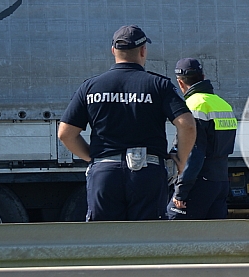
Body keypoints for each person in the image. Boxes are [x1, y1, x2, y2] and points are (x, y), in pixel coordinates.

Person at [58, 25, 196, 221]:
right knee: (148, 235)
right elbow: (187, 125)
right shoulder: (159, 85)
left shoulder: (91, 87)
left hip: (104, 174)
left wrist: (94, 158)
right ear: (143, 51)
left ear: (113, 51)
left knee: (105, 236)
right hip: (147, 174)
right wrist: (181, 160)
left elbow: (65, 133)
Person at [167, 58, 238, 220]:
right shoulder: (223, 104)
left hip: (199, 183)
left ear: (180, 82)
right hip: (220, 182)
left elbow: (194, 153)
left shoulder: (193, 105)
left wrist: (181, 192)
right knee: (213, 233)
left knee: (171, 227)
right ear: (203, 77)